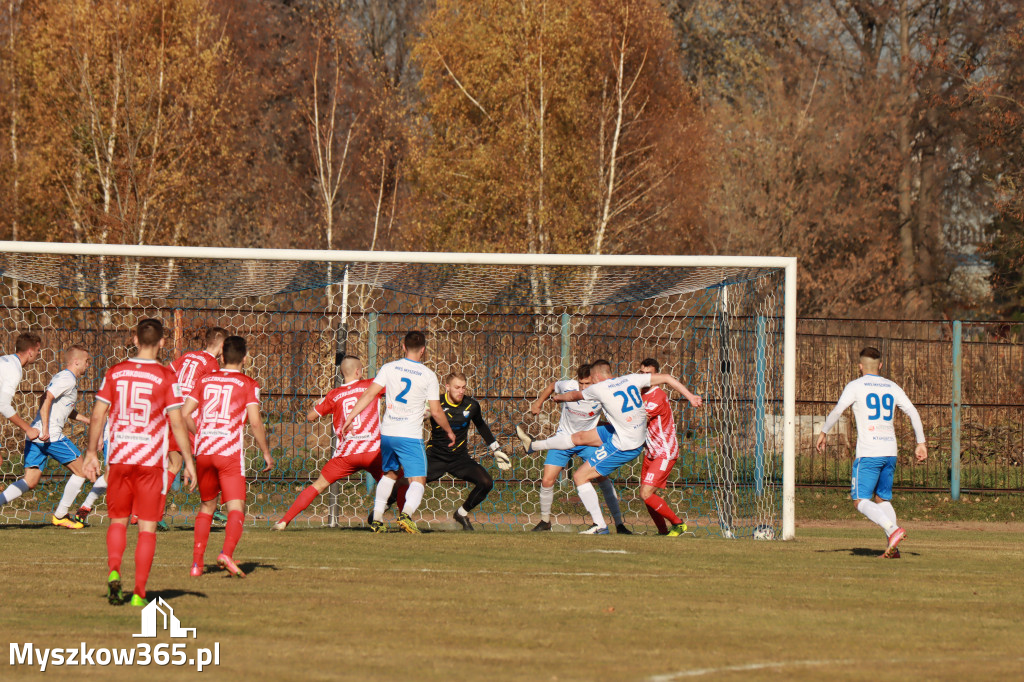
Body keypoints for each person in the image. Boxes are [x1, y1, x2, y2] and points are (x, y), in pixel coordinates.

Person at [83, 318, 197, 607]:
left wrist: (91, 453)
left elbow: (98, 415)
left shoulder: (115, 372)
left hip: (119, 458)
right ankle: (139, 593)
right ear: (162, 342)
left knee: (117, 522)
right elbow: (177, 422)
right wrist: (188, 461)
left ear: (134, 339)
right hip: (150, 462)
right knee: (147, 528)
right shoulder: (166, 376)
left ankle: (113, 572)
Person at [518, 360, 701, 535]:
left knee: (580, 476)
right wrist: (691, 396)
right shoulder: (630, 378)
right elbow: (668, 377)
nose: (586, 385)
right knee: (579, 438)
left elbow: (574, 396)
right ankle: (533, 445)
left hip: (624, 442)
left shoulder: (599, 388)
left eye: (590, 381)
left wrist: (558, 399)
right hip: (618, 432)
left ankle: (602, 525)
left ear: (596, 377)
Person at [815, 346, 927, 559]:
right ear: (881, 365)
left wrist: (823, 431)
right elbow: (912, 411)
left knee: (859, 500)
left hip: (869, 452)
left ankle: (893, 530)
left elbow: (838, 410)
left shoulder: (855, 386)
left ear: (860, 367)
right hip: (890, 451)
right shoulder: (892, 386)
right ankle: (892, 548)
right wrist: (920, 442)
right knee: (882, 499)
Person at [341, 331, 455, 533]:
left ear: (403, 347)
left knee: (390, 474)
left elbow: (369, 393)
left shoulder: (389, 368)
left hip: (388, 432)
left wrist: (351, 416)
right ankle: (407, 514)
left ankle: (376, 518)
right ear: (423, 350)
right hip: (410, 435)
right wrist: (449, 431)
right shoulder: (428, 375)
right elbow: (436, 411)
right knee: (418, 479)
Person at [184, 335, 272, 578]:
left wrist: (200, 433)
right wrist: (266, 452)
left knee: (206, 506)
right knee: (236, 507)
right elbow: (254, 422)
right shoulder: (248, 383)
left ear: (221, 357)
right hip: (228, 453)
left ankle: (196, 565)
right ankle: (226, 553)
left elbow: (184, 413)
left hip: (204, 451)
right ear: (245, 358)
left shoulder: (205, 380)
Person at [272, 355, 382, 531]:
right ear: (358, 371)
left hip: (346, 454)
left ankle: (283, 521)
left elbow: (310, 416)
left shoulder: (334, 395)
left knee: (318, 486)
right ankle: (401, 520)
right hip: (373, 451)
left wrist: (322, 401)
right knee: (397, 482)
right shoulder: (371, 384)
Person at [528, 363, 631, 534]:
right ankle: (545, 521)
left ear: (595, 381)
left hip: (587, 442)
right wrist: (538, 402)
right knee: (547, 480)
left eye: (587, 384)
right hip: (563, 439)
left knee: (602, 478)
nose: (583, 387)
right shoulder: (569, 387)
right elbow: (553, 386)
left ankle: (619, 524)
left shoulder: (601, 394)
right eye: (581, 383)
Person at [0, 345, 94, 528]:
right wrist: (46, 429)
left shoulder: (63, 377)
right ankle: (60, 515)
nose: (88, 365)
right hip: (50, 436)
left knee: (30, 481)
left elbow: (62, 406)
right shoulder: (68, 379)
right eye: (86, 361)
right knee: (82, 470)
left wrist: (86, 420)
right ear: (76, 362)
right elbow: (46, 398)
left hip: (37, 435)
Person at [420, 371, 510, 531]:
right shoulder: (435, 403)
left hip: (460, 459)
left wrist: (496, 449)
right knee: (407, 483)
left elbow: (481, 425)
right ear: (447, 387)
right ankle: (380, 513)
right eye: (457, 387)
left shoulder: (471, 405)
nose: (461, 391)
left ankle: (461, 513)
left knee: (486, 482)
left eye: (463, 387)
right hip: (435, 456)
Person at [163, 327, 227, 529]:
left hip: (171, 412)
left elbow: (166, 371)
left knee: (174, 464)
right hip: (190, 417)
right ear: (222, 346)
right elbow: (212, 392)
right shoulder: (212, 364)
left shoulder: (188, 356)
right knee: (211, 461)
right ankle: (213, 506)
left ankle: (152, 510)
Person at [637, 358, 688, 536]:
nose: (644, 377)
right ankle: (662, 532)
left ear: (656, 375)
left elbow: (638, 419)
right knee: (647, 497)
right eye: (641, 373)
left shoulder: (658, 396)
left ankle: (678, 523)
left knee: (646, 493)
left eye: (648, 374)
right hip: (650, 452)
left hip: (664, 452)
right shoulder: (639, 394)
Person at [0, 332, 43, 468]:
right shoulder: (14, 369)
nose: (38, 354)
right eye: (38, 350)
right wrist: (28, 429)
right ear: (30, 352)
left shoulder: (6, 361)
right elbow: (3, 405)